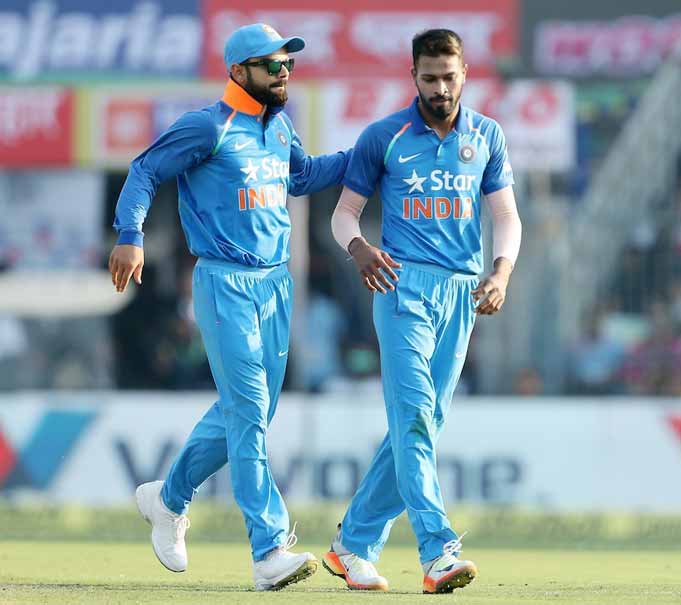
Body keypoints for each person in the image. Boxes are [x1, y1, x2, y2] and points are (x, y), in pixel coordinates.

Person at [108, 23, 351, 591]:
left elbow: (303, 177)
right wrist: (130, 234)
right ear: (239, 71)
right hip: (225, 282)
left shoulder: (279, 126)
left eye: (288, 63)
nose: (284, 73)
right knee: (249, 410)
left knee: (250, 413)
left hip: (277, 285)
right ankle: (269, 550)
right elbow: (145, 170)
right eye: (272, 65)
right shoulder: (207, 126)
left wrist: (365, 155)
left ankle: (168, 500)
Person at [325, 29, 522, 594]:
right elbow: (344, 214)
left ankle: (353, 544)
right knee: (413, 416)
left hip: (461, 293)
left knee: (422, 424)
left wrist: (501, 272)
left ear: (465, 75)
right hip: (401, 286)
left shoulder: (486, 135)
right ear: (413, 76)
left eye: (449, 77)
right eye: (430, 78)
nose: (440, 88)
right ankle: (438, 550)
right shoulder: (383, 136)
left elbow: (506, 216)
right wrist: (359, 248)